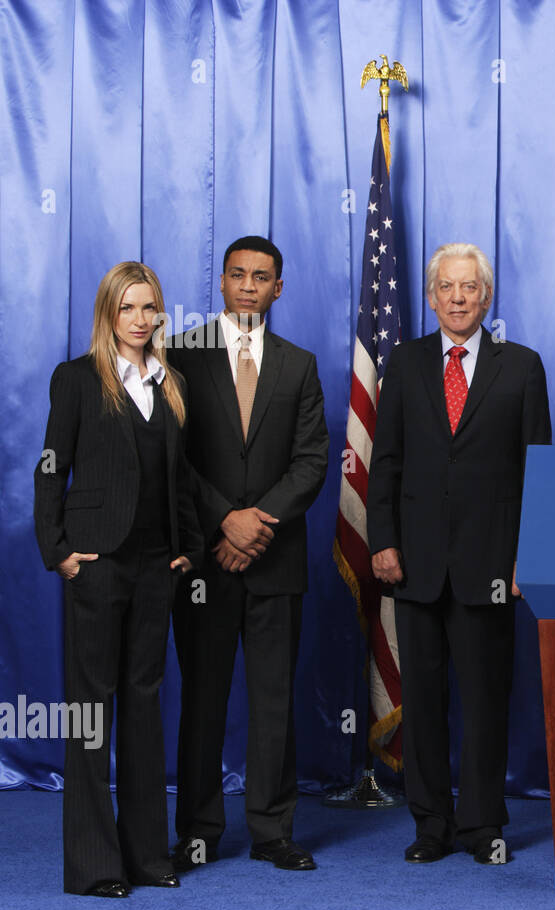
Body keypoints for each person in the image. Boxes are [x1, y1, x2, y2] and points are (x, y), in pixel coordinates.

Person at [369, 242, 551, 865]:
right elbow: (384, 460)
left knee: (485, 701)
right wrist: (383, 540)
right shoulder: (406, 361)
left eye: (468, 288)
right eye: (445, 287)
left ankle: (481, 825)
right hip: (414, 561)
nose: (456, 298)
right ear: (430, 296)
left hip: (493, 567)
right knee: (422, 701)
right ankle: (430, 824)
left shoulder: (522, 367)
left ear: (486, 296)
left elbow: (539, 471)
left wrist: (530, 556)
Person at [34, 262, 203, 896]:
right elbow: (52, 466)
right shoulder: (76, 380)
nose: (140, 319)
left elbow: (179, 476)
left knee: (143, 707)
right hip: (97, 563)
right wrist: (59, 551)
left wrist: (186, 548)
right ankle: (93, 865)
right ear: (109, 313)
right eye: (128, 307)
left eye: (150, 307)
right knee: (89, 715)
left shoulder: (170, 383)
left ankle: (147, 857)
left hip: (156, 565)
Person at [169, 236, 329, 873]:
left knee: (273, 704)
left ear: (278, 289)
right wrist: (223, 523)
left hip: (275, 559)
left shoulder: (299, 364)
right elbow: (171, 458)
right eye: (237, 275)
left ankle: (272, 833)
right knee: (203, 703)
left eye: (261, 277)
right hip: (204, 563)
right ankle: (199, 832)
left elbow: (313, 460)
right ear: (222, 282)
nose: (247, 287)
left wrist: (256, 524)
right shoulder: (180, 355)